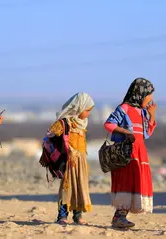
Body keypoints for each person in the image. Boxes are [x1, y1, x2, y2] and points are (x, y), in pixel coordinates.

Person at [104, 78, 157, 228]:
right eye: (149, 95)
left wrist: (152, 115)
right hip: (126, 152)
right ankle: (119, 217)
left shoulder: (143, 112)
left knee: (136, 181)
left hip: (139, 153)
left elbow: (146, 133)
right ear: (140, 94)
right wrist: (126, 132)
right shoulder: (125, 108)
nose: (151, 99)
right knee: (126, 181)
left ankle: (121, 217)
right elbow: (109, 124)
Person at [48, 92, 94, 225]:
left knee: (79, 188)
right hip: (69, 161)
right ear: (79, 108)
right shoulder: (65, 122)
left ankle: (77, 216)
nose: (88, 114)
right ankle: (62, 216)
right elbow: (51, 135)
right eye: (87, 110)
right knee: (67, 188)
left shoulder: (82, 123)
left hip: (81, 161)